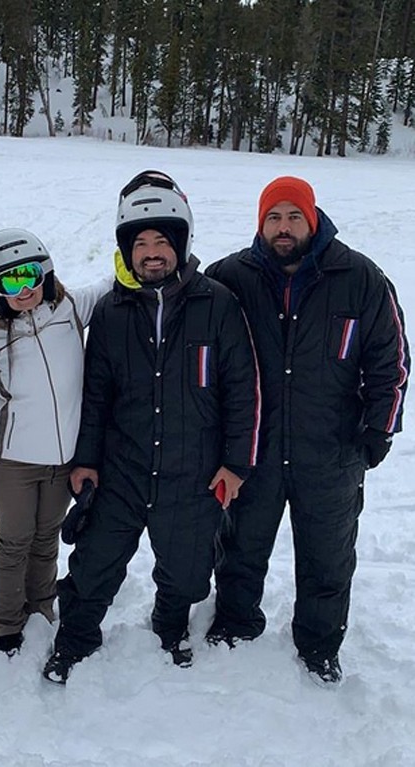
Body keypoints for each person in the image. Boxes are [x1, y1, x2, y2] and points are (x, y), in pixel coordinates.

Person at [42, 170, 261, 684]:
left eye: (162, 241)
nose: (151, 253)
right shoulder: (114, 314)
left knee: (186, 572)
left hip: (193, 473)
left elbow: (244, 390)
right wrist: (86, 462)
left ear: (181, 243)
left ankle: (170, 625)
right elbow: (96, 396)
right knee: (94, 565)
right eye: (140, 243)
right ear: (127, 251)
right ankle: (75, 638)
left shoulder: (218, 305)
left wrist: (237, 463)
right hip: (122, 470)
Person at [204, 176, 410, 685]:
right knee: (241, 545)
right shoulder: (230, 277)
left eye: (294, 216)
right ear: (260, 223)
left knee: (328, 555)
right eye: (273, 217)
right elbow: (202, 361)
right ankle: (235, 622)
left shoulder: (360, 277)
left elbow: (392, 362)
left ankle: (319, 644)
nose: (283, 227)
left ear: (312, 219)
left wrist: (378, 430)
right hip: (254, 447)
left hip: (332, 451)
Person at [0, 228, 110, 656]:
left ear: (45, 271)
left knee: (46, 536)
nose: (24, 289)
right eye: (10, 281)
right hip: (12, 460)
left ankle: (41, 605)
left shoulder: (70, 308)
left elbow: (112, 284)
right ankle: (6, 622)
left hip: (64, 458)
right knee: (14, 539)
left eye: (29, 275)